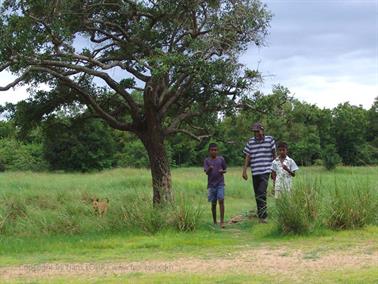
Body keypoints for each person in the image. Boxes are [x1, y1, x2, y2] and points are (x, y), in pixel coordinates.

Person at [242, 122, 275, 223]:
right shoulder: (251, 142)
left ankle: (263, 216)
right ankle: (261, 215)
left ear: (262, 130)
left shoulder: (270, 140)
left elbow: (274, 155)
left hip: (266, 170)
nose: (257, 133)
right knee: (257, 194)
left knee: (261, 192)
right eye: (255, 132)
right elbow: (248, 156)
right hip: (255, 171)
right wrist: (244, 171)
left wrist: (274, 171)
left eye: (258, 131)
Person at [204, 143, 227, 228]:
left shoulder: (221, 159)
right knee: (213, 203)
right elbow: (206, 172)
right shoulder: (207, 160)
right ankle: (214, 221)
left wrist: (222, 171)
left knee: (221, 200)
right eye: (212, 150)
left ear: (217, 151)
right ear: (209, 151)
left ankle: (222, 221)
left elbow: (225, 169)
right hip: (211, 185)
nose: (214, 151)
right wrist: (209, 169)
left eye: (216, 150)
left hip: (220, 183)